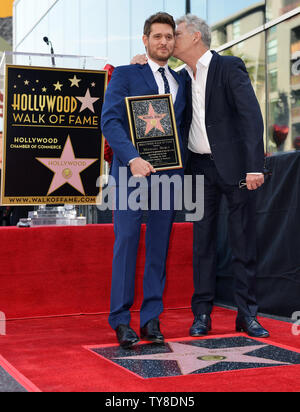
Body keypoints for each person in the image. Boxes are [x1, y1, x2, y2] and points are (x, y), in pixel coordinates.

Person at [132, 14, 269, 339]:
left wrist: (254, 166)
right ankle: (202, 314)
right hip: (198, 171)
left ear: (194, 37)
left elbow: (251, 116)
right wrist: (139, 63)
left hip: (236, 170)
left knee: (242, 241)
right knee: (202, 244)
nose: (169, 41)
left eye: (175, 35)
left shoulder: (229, 67)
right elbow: (153, 90)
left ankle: (247, 315)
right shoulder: (180, 77)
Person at [101, 12, 187, 348]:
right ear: (145, 40)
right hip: (128, 175)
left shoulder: (183, 81)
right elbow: (109, 121)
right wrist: (133, 158)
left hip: (168, 179)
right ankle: (121, 321)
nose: (163, 42)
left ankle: (152, 318)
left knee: (158, 248)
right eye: (157, 37)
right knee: (126, 245)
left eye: (169, 37)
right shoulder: (125, 74)